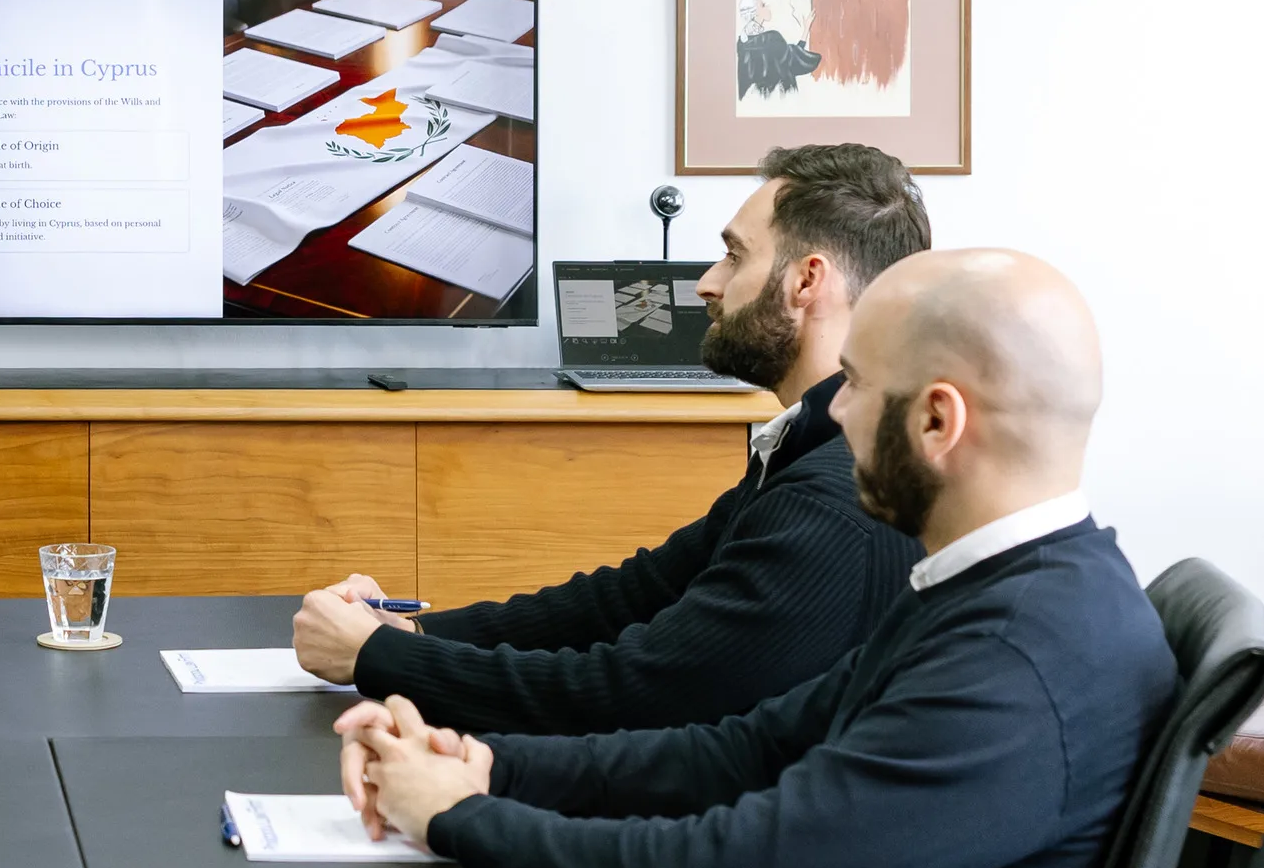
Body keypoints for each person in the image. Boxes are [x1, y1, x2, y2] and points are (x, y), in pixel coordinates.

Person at [333, 248, 1174, 868]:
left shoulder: (1015, 660)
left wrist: (460, 818)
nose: (834, 411)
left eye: (855, 384)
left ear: (935, 422)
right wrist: (488, 764)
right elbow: (742, 752)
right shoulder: (1002, 587)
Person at [293, 143, 930, 736]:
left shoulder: (831, 499)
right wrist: (413, 632)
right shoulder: (804, 448)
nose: (708, 282)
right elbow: (627, 597)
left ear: (806, 281)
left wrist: (382, 658)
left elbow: (636, 688)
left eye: (734, 256)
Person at [737, 0, 823, 99]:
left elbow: (790, 56)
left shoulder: (742, 43)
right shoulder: (772, 38)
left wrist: (806, 29)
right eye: (763, 5)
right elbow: (795, 60)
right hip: (779, 97)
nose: (767, 6)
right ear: (755, 13)